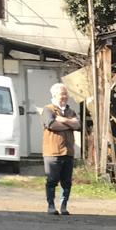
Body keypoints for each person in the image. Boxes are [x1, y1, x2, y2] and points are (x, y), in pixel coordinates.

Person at [41, 83, 78, 216]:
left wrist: (63, 120)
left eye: (66, 94)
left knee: (66, 181)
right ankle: (51, 205)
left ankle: (63, 206)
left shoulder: (70, 111)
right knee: (52, 179)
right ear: (54, 95)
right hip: (53, 151)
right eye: (62, 94)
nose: (64, 97)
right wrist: (69, 124)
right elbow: (52, 125)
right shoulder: (48, 109)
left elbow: (78, 124)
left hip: (68, 151)